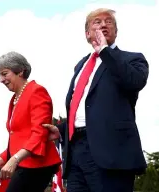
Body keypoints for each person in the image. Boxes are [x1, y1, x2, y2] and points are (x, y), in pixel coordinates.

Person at [43, 8, 149, 192]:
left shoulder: (132, 59)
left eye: (108, 22)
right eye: (97, 22)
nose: (103, 25)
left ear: (116, 31)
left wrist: (105, 51)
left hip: (112, 153)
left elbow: (134, 81)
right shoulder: (81, 66)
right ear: (87, 33)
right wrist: (62, 130)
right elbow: (86, 108)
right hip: (76, 153)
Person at [0, 51, 61, 192]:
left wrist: (15, 159)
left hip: (37, 165)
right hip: (23, 164)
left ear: (20, 71)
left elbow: (39, 134)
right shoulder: (14, 100)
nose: (1, 79)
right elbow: (12, 148)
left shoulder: (37, 91)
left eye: (4, 73)